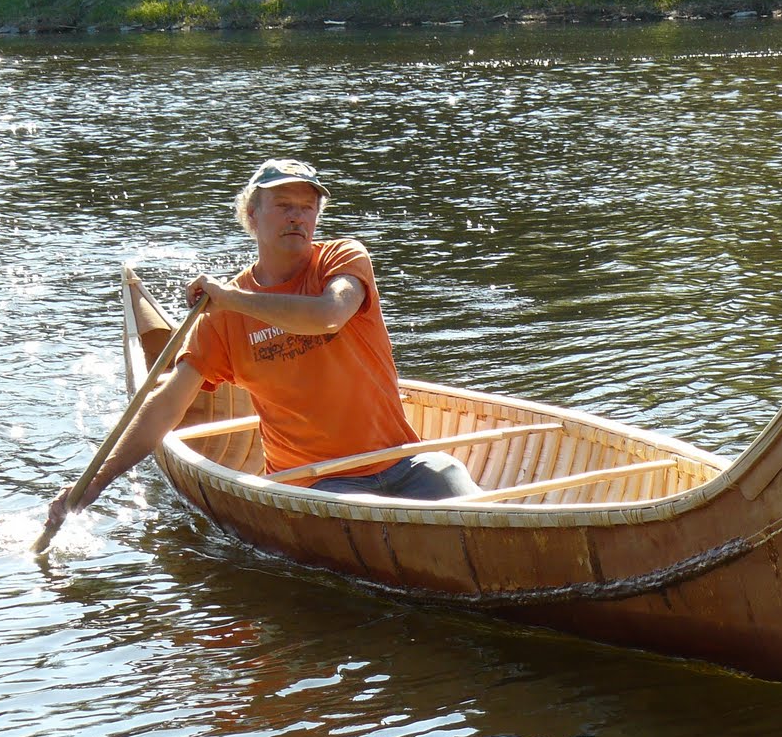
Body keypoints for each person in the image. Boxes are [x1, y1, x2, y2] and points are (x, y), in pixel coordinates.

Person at [46, 158, 477, 529]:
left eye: (307, 208)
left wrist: (230, 298)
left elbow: (328, 315)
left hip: (403, 461)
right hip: (315, 482)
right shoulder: (222, 316)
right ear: (252, 216)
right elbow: (166, 407)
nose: (297, 217)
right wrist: (96, 482)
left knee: (458, 485)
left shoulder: (341, 259)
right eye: (284, 205)